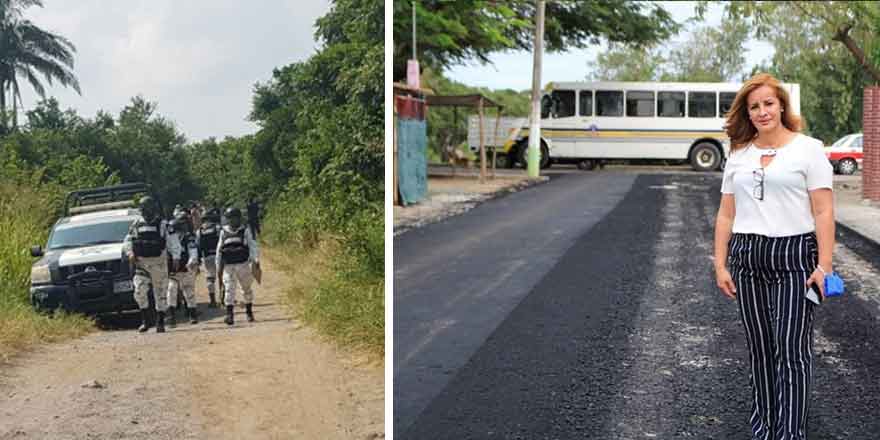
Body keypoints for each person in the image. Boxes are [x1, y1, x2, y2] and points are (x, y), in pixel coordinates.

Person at [713, 73, 834, 440]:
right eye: (754, 107)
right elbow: (726, 214)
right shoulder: (738, 154)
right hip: (747, 256)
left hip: (794, 256)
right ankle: (764, 429)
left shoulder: (808, 149)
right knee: (761, 351)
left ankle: (790, 433)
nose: (762, 111)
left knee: (792, 352)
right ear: (747, 114)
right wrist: (720, 263)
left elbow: (824, 212)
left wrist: (824, 266)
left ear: (782, 105)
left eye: (768, 103)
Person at [124, 196, 182, 333]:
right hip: (142, 263)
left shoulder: (163, 224)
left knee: (160, 293)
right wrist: (130, 253)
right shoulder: (136, 224)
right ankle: (145, 321)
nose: (145, 212)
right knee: (139, 291)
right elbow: (127, 241)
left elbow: (173, 242)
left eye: (147, 209)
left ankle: (160, 321)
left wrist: (176, 257)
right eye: (143, 209)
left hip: (159, 263)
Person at [216, 207, 260, 325]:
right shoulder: (223, 232)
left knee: (246, 288)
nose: (233, 221)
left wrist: (255, 260)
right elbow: (219, 250)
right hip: (228, 266)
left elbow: (252, 245)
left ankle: (249, 311)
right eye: (230, 218)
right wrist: (218, 266)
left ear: (239, 218)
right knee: (229, 289)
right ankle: (229, 315)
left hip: (243, 264)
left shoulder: (245, 230)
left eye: (235, 218)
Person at [166, 212, 199, 326]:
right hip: (172, 271)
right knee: (171, 291)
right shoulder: (167, 241)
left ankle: (192, 315)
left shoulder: (188, 238)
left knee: (189, 292)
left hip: (185, 269)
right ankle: (172, 317)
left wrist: (191, 262)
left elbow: (193, 252)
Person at [197, 207, 222, 307]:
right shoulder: (217, 228)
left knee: (210, 278)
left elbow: (198, 246)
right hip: (218, 256)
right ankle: (223, 298)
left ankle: (212, 301)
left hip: (207, 257)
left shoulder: (199, 231)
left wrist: (199, 260)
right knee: (222, 277)